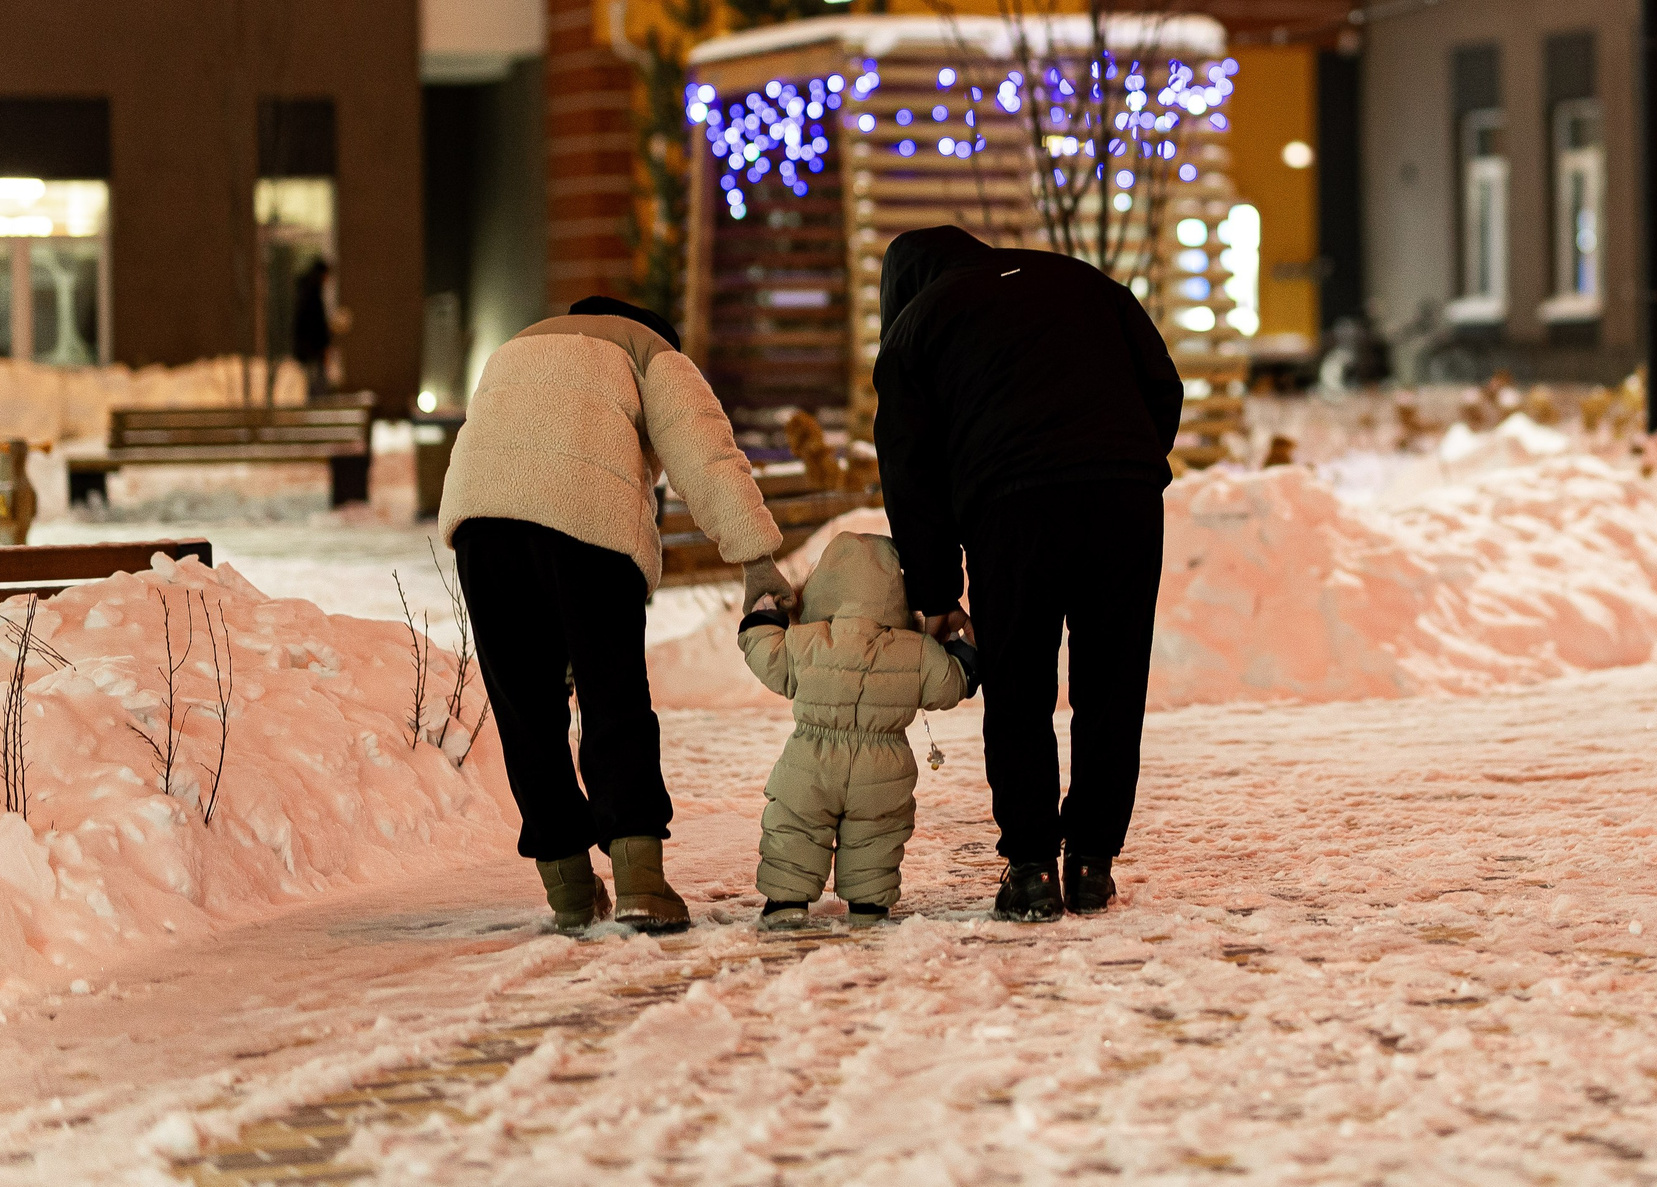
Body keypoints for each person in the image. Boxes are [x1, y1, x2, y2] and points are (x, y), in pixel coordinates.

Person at [439, 295, 795, 935]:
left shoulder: (516, 347)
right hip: (588, 521)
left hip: (480, 524)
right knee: (613, 699)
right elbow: (706, 456)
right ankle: (641, 884)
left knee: (526, 713)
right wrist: (757, 560)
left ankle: (571, 892)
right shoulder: (651, 351)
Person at [871, 226, 1182, 923]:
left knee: (1018, 684)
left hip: (1013, 506)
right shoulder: (1085, 281)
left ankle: (1032, 869)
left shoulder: (917, 326)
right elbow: (1162, 385)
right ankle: (1093, 864)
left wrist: (936, 591)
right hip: (1124, 495)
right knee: (1112, 680)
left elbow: (910, 473)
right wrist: (1124, 460)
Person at [737, 531, 982, 924]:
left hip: (810, 763)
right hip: (883, 772)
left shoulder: (806, 641)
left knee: (796, 829)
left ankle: (785, 905)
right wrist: (963, 649)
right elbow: (952, 683)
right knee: (876, 836)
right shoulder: (915, 651)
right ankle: (869, 909)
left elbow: (766, 653)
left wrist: (762, 617)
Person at [291, 258, 334, 398]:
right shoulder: (313, 294)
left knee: (311, 381)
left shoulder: (304, 291)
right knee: (315, 384)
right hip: (312, 348)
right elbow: (317, 324)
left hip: (306, 347)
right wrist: (324, 345)